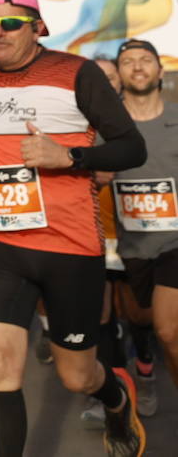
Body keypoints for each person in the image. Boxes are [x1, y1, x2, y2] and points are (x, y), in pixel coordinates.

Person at [0, 0, 148, 457]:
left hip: (69, 244)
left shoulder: (75, 72)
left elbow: (132, 146)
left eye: (9, 24)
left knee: (76, 375)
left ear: (37, 26)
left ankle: (116, 397)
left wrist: (69, 156)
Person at [113, 39, 175, 422]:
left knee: (169, 331)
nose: (137, 67)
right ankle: (146, 370)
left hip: (175, 242)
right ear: (118, 75)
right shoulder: (104, 129)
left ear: (160, 70)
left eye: (145, 60)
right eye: (128, 62)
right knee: (140, 319)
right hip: (130, 245)